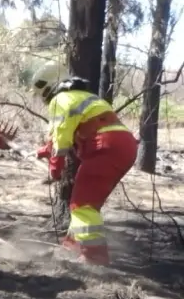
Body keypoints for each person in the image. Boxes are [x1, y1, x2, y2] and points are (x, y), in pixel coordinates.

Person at [32, 62, 138, 265]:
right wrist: (45, 150)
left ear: (48, 87)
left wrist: (55, 170)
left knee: (82, 205)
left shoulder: (60, 99)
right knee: (87, 201)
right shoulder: (82, 97)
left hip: (105, 148)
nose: (43, 99)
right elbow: (68, 132)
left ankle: (94, 256)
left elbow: (62, 140)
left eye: (42, 93)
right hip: (123, 147)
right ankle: (72, 246)